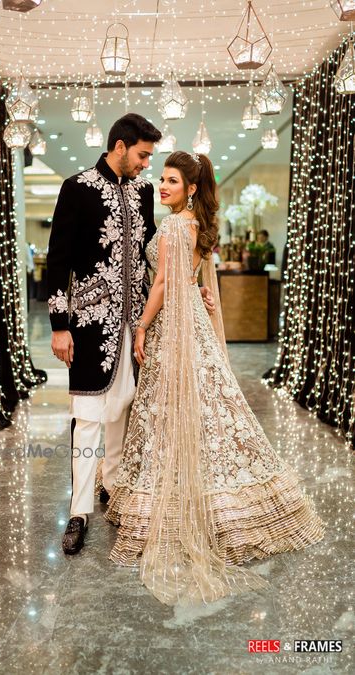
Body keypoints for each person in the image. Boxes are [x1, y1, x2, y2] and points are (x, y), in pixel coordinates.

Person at [104, 151, 325, 607]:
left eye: (170, 181)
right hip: (195, 327)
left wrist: (141, 326)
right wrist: (196, 291)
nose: (162, 187)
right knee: (209, 409)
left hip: (170, 327)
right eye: (161, 179)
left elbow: (164, 284)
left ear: (189, 188)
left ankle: (174, 500)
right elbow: (191, 280)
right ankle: (228, 500)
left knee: (171, 408)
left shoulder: (170, 226)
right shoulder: (199, 227)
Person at [47, 114, 218, 555]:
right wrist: (60, 326)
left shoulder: (143, 193)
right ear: (120, 147)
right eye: (143, 155)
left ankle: (114, 490)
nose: (147, 165)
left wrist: (190, 288)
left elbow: (152, 263)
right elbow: (57, 260)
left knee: (124, 409)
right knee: (87, 419)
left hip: (139, 324)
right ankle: (79, 510)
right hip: (87, 325)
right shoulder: (77, 187)